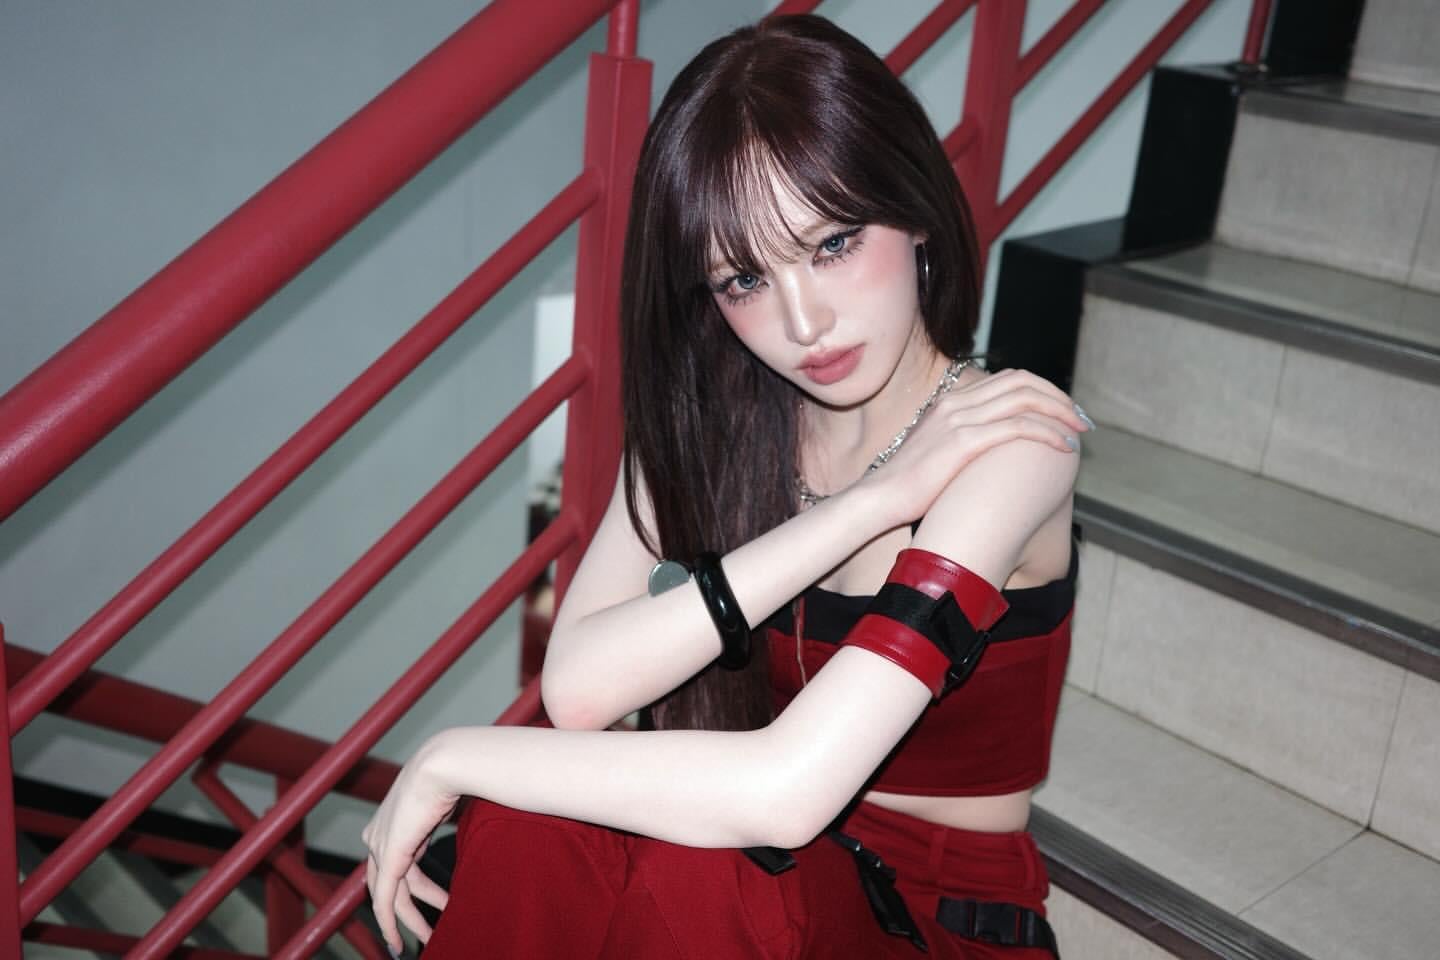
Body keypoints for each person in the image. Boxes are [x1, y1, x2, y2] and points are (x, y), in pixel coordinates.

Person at [362, 14, 1091, 958]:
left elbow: (789, 793)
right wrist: (870, 506)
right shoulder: (716, 428)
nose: (805, 322)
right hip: (761, 873)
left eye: (833, 243)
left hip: (933, 920)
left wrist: (453, 755)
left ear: (914, 209)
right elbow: (580, 689)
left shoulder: (1013, 439)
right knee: (530, 823)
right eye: (745, 279)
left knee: (690, 869)